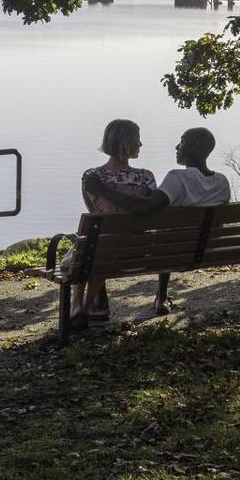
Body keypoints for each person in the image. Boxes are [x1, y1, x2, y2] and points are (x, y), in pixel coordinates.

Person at [85, 126, 231, 313]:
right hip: (209, 250)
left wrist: (103, 190)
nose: (177, 146)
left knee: (103, 241)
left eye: (182, 141)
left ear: (194, 146)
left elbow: (145, 207)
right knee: (172, 234)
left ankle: (98, 305)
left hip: (168, 253)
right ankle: (161, 297)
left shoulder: (177, 178)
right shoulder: (222, 182)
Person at [73, 118, 155, 325]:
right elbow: (148, 210)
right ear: (126, 144)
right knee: (101, 245)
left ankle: (78, 305)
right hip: (139, 249)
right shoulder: (145, 177)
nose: (141, 144)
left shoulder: (92, 176)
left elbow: (94, 211)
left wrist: (106, 192)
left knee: (88, 245)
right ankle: (90, 305)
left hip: (101, 247)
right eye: (138, 140)